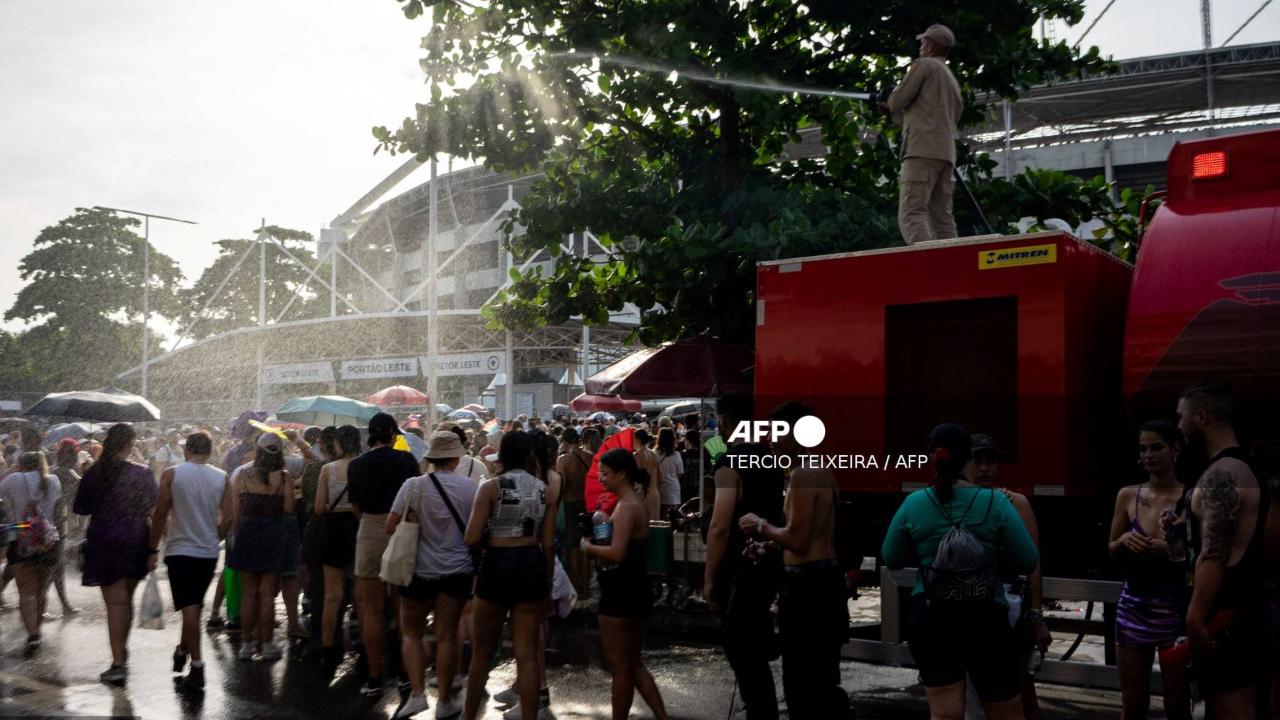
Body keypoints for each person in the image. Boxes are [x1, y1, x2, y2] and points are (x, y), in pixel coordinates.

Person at [881, 423, 1039, 720]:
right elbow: (1027, 560)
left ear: (932, 459)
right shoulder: (996, 503)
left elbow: (893, 557)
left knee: (945, 713)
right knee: (1005, 710)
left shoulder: (914, 503)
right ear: (968, 459)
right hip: (985, 618)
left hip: (932, 617)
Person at [738, 402, 851, 719]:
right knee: (824, 681)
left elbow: (799, 540)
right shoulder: (824, 472)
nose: (772, 440)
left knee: (802, 686)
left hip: (808, 592)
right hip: (827, 585)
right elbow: (812, 535)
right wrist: (771, 545)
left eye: (778, 432)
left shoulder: (801, 475)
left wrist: (759, 524)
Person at [1177, 382, 1267, 718]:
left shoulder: (1222, 474)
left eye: (1181, 417)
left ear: (1201, 417)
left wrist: (1196, 615)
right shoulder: (1243, 466)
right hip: (1240, 610)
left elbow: (1214, 553)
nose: (1179, 428)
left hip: (1225, 615)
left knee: (1232, 707)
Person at [462, 431, 559, 720]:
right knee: (527, 653)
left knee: (482, 650)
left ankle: (468, 715)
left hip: (497, 563)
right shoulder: (546, 490)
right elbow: (549, 543)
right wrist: (549, 584)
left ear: (502, 455)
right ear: (530, 454)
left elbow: (471, 537)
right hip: (531, 564)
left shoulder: (491, 487)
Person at [704, 392, 784, 720]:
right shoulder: (769, 456)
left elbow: (720, 526)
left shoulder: (729, 462)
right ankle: (762, 708)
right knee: (753, 646)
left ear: (726, 421)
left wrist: (708, 579)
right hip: (768, 559)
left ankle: (761, 712)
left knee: (741, 648)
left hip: (739, 567)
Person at [1104, 420, 1192, 720]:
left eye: (1156, 447)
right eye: (1143, 449)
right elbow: (1111, 549)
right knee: (1132, 701)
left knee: (1177, 702)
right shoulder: (1128, 495)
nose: (1149, 454)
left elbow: (1206, 554)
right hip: (1133, 606)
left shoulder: (1192, 497)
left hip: (1175, 611)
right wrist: (1124, 540)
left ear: (1175, 449)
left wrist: (1170, 550)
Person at [388, 431, 478, 720]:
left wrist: (412, 520)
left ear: (430, 458)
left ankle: (416, 695)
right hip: (457, 570)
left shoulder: (413, 486)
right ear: (455, 457)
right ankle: (445, 701)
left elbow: (391, 527)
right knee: (447, 636)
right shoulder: (470, 487)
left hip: (418, 570)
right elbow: (476, 533)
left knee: (412, 633)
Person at [966, 433, 1049, 720]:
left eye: (991, 461)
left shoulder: (1016, 503)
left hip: (1009, 605)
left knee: (1020, 690)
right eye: (978, 460)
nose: (985, 468)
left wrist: (1037, 615)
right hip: (964, 606)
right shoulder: (954, 503)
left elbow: (1033, 564)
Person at [581, 449, 669, 720]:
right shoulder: (634, 502)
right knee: (632, 663)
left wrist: (588, 547)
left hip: (621, 590)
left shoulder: (627, 506)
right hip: (635, 586)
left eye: (605, 474)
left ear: (622, 474)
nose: (601, 478)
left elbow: (617, 553)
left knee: (620, 665)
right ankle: (662, 717)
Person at [73, 423, 159, 686]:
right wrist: (154, 548)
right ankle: (122, 652)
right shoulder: (143, 473)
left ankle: (118, 662)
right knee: (126, 601)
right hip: (135, 539)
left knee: (115, 605)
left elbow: (81, 509)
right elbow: (154, 513)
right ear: (130, 444)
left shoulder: (94, 472)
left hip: (104, 539)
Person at [148, 430, 230, 690]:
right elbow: (229, 517)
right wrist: (214, 537)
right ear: (210, 451)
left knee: (190, 610)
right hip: (207, 553)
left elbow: (160, 513)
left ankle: (198, 666)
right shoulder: (222, 477)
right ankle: (183, 650)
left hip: (179, 551)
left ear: (186, 450)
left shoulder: (172, 474)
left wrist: (152, 548)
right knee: (193, 608)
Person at [347, 412, 421, 696]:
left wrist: (370, 521)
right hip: (401, 528)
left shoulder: (356, 464)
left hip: (368, 528)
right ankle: (405, 673)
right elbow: (415, 500)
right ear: (392, 434)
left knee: (371, 610)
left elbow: (355, 505)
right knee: (402, 607)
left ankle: (375, 677)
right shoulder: (405, 461)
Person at [881, 23, 963, 246]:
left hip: (920, 152)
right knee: (942, 217)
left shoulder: (924, 66)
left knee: (911, 212)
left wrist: (889, 99)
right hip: (945, 154)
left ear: (932, 46)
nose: (920, 45)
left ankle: (929, 265)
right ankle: (953, 264)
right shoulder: (951, 80)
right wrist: (892, 112)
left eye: (924, 41)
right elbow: (924, 118)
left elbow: (898, 99)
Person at [226, 432, 296, 661]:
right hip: (273, 534)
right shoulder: (284, 478)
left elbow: (235, 511)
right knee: (267, 594)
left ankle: (246, 645)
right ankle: (266, 644)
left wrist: (235, 535)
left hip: (247, 532)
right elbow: (288, 508)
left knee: (249, 592)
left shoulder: (243, 474)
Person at [0, 452, 62, 655]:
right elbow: (59, 512)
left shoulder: (15, 479)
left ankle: (33, 636)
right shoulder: (53, 480)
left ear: (21, 464)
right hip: (49, 542)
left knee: (26, 592)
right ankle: (37, 630)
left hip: (21, 541)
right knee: (41, 591)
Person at [314, 425, 362, 677]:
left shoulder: (327, 469)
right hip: (358, 528)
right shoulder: (364, 466)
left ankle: (328, 649)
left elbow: (319, 507)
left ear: (338, 444)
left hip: (333, 530)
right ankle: (364, 647)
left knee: (333, 596)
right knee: (361, 595)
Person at [556, 427, 594, 600]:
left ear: (564, 442)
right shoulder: (589, 456)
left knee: (571, 549)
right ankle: (586, 590)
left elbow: (561, 486)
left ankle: (575, 592)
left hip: (570, 506)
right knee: (585, 549)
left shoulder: (563, 460)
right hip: (587, 506)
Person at [46, 438, 80, 615]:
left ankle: (64, 604)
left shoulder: (51, 472)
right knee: (54, 566)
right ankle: (42, 605)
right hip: (59, 525)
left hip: (45, 523)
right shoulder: (71, 475)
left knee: (56, 566)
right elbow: (82, 499)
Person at [655, 427, 684, 520]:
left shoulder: (654, 454)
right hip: (673, 488)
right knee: (672, 517)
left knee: (661, 516)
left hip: (659, 488)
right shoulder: (676, 455)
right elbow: (680, 473)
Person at [633, 429, 660, 522]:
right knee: (654, 526)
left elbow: (636, 479)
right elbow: (661, 477)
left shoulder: (636, 456)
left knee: (643, 527)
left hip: (642, 494)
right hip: (655, 494)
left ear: (638, 440)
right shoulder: (654, 454)